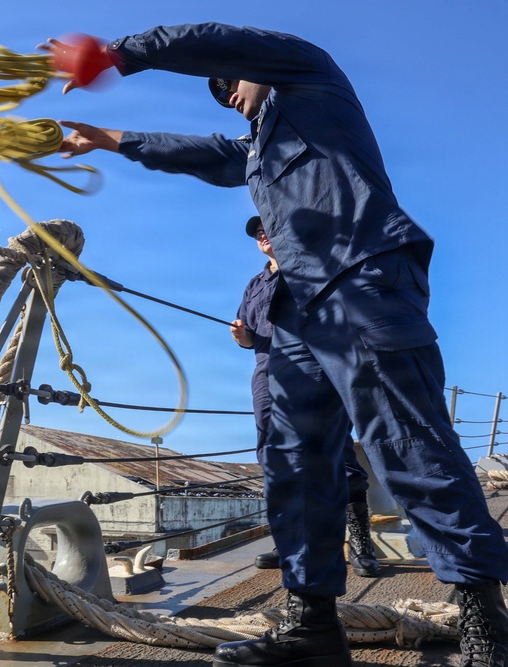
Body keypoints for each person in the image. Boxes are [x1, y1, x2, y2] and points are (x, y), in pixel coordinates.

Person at [46, 23, 508, 667]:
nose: (225, 92)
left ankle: (485, 627)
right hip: (297, 310)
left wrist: (121, 54)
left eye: (230, 80)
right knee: (291, 461)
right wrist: (115, 140)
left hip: (361, 279)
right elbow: (213, 154)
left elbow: (212, 40)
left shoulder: (309, 75)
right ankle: (311, 628)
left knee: (406, 442)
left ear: (254, 66)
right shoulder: (261, 145)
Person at [231, 215, 380, 579]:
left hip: (320, 365)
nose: (262, 235)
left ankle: (360, 542)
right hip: (268, 371)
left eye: (267, 227)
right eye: (257, 233)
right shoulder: (254, 285)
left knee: (335, 445)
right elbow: (249, 334)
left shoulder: (313, 268)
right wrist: (242, 337)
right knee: (271, 449)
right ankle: (290, 541)